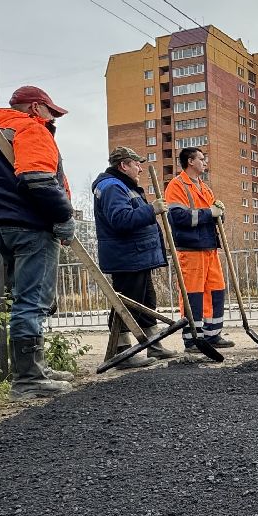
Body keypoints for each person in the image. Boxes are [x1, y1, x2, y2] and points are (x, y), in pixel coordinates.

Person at [0, 84, 77, 399]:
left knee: (25, 299)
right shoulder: (31, 130)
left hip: (3, 226)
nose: (53, 118)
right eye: (50, 111)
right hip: (31, 225)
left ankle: (35, 368)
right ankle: (28, 378)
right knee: (32, 301)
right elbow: (38, 180)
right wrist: (63, 216)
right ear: (34, 108)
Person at [92, 146, 175, 366]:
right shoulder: (112, 187)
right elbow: (121, 219)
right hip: (127, 257)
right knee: (127, 303)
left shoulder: (124, 186)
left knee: (146, 301)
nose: (140, 168)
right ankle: (121, 352)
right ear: (123, 165)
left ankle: (153, 345)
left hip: (137, 255)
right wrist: (152, 210)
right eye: (136, 164)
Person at [163, 146, 235, 351]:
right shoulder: (177, 186)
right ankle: (193, 338)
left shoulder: (205, 188)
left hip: (209, 247)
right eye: (201, 159)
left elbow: (214, 217)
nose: (205, 162)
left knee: (215, 290)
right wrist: (209, 212)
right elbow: (179, 217)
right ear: (190, 161)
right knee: (193, 293)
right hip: (190, 249)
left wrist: (220, 212)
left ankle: (212, 335)